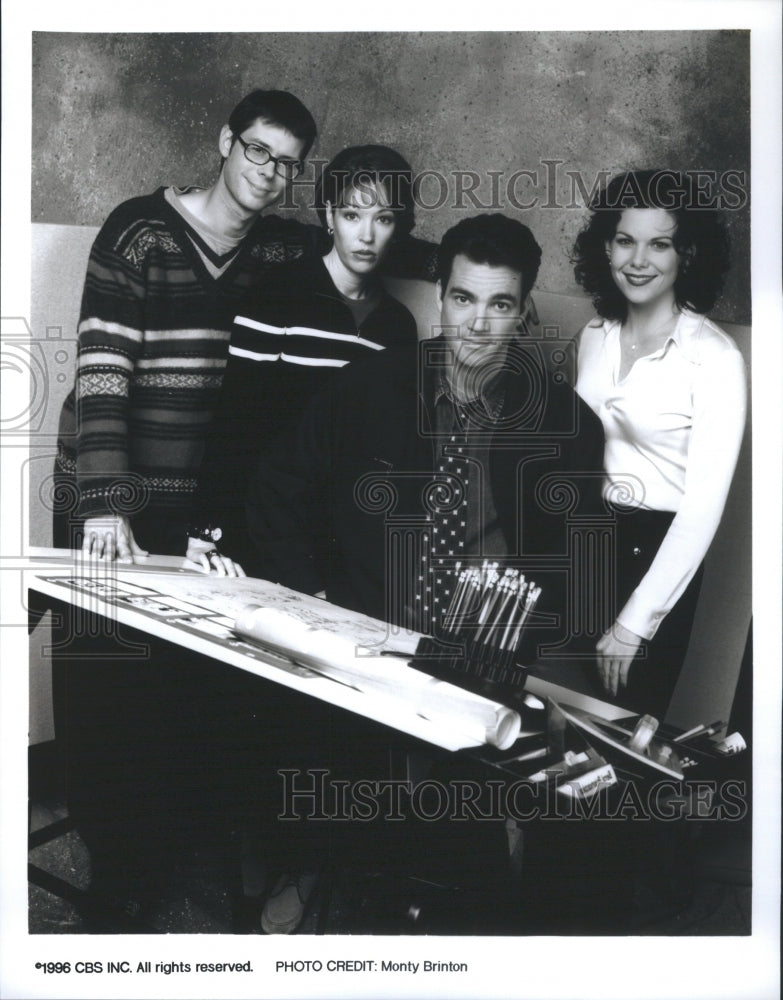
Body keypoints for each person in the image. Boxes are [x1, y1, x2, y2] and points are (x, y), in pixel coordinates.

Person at [241, 214, 606, 933]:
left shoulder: (565, 424)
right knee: (306, 750)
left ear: (523, 311)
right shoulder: (371, 388)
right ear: (439, 295)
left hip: (484, 652)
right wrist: (316, 598)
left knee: (487, 833)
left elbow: (577, 570)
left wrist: (518, 640)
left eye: (499, 304)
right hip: (368, 631)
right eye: (463, 298)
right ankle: (311, 866)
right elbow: (275, 488)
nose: (477, 323)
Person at [52, 91, 435, 569]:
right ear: (226, 141)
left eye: (286, 163)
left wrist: (463, 268)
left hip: (192, 499)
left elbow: (368, 236)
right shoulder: (139, 228)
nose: (268, 171)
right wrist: (106, 503)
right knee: (98, 637)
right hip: (110, 485)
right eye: (258, 150)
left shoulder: (280, 246)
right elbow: (101, 374)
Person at [189, 144, 419, 573]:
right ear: (329, 217)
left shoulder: (397, 327)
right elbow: (235, 420)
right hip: (253, 529)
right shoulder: (279, 293)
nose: (366, 236)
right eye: (352, 215)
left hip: (337, 544)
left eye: (383, 219)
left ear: (398, 226)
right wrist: (209, 532)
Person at [572, 169, 746, 719]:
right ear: (606, 246)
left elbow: (701, 511)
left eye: (659, 243)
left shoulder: (715, 360)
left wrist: (634, 622)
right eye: (625, 240)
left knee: (618, 758)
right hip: (580, 548)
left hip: (656, 556)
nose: (638, 259)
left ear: (686, 254)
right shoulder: (592, 337)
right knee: (546, 741)